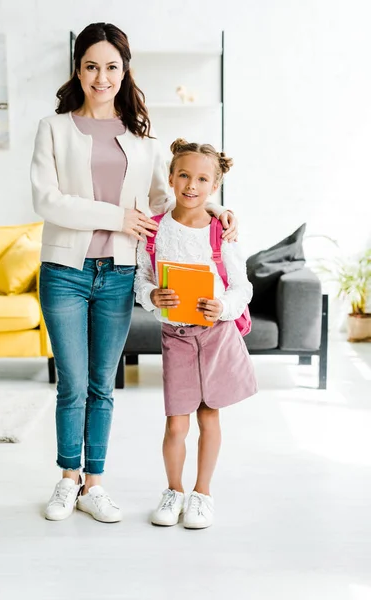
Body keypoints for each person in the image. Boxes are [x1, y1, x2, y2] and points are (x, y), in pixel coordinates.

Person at [30, 22, 238, 523]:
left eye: (112, 67)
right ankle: (66, 479)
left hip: (120, 273)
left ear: (125, 72)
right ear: (78, 69)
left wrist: (217, 211)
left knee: (103, 383)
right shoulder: (53, 128)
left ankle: (94, 484)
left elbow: (169, 198)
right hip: (64, 269)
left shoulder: (143, 139)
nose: (101, 77)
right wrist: (118, 218)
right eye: (91, 66)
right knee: (72, 384)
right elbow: (47, 201)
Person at [134, 138, 258, 529]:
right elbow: (141, 280)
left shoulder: (222, 231)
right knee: (176, 422)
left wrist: (222, 306)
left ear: (214, 186)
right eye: (184, 175)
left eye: (202, 179)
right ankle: (174, 491)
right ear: (170, 178)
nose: (191, 185)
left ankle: (202, 494)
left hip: (216, 334)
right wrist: (153, 296)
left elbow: (242, 286)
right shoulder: (154, 230)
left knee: (209, 416)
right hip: (176, 336)